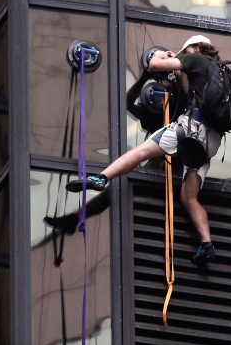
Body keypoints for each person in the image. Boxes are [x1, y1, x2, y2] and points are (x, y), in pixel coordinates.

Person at [65, 35, 223, 266]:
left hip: (191, 129)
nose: (184, 53)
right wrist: (181, 74)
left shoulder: (196, 59)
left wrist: (165, 56)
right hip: (212, 142)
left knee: (141, 152)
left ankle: (101, 178)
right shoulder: (222, 73)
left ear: (197, 47)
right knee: (189, 196)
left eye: (186, 49)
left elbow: (154, 65)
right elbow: (191, 94)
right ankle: (206, 245)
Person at [43, 59, 184, 234]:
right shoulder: (154, 115)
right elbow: (126, 103)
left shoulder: (174, 113)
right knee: (116, 188)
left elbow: (130, 103)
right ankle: (73, 219)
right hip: (163, 167)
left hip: (172, 168)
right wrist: (147, 76)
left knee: (119, 187)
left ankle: (73, 219)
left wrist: (158, 76)